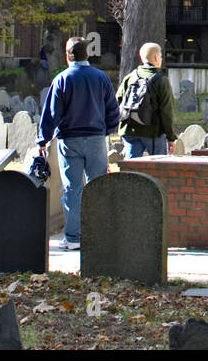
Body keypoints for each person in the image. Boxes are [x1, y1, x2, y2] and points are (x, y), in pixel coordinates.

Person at [37, 36, 119, 250]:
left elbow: (52, 113)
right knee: (97, 186)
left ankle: (73, 238)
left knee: (72, 189)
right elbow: (113, 110)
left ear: (67, 56)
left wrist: (43, 139)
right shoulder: (101, 78)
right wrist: (107, 130)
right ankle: (98, 234)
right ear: (87, 55)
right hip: (95, 139)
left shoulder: (62, 79)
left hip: (69, 139)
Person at [115, 42, 175, 158]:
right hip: (152, 132)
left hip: (129, 129)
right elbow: (167, 111)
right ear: (157, 58)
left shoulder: (130, 77)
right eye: (161, 56)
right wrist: (171, 137)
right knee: (159, 166)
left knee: (131, 168)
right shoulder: (161, 80)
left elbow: (118, 101)